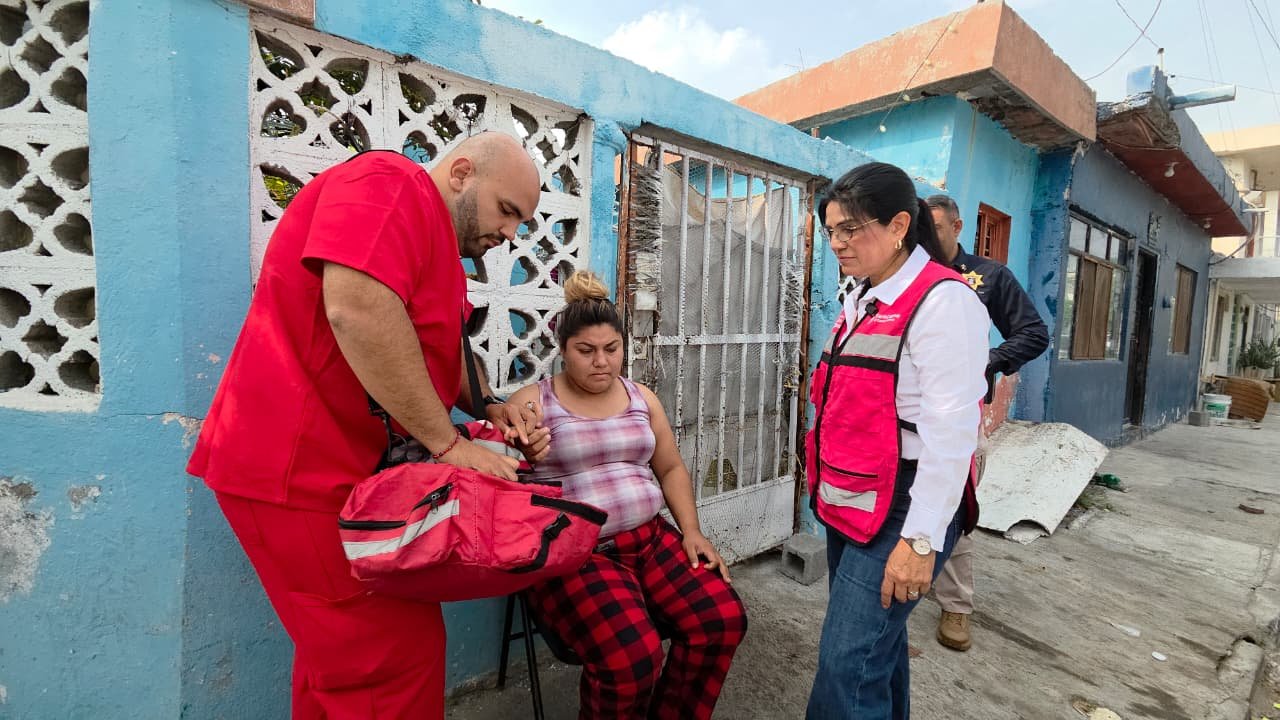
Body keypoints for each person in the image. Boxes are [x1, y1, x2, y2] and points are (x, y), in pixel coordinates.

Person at [187, 133, 549, 719]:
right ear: (462, 173)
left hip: (338, 477)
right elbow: (356, 307)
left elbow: (444, 353)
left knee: (342, 665)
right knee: (393, 662)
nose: (510, 233)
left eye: (521, 222)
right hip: (298, 470)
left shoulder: (441, 250)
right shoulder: (391, 182)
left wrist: (490, 405)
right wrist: (448, 444)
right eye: (507, 210)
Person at [505, 271, 748, 720]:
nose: (601, 361)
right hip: (579, 555)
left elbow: (670, 467)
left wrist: (692, 531)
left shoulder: (641, 398)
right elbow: (503, 481)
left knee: (721, 620)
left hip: (651, 540)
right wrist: (520, 450)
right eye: (586, 351)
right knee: (631, 661)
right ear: (562, 350)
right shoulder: (533, 403)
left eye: (611, 348)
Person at [804, 163, 989, 720]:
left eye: (851, 229)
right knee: (874, 654)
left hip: (906, 505)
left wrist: (921, 541)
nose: (837, 243)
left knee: (846, 665)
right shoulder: (862, 297)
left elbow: (951, 435)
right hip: (855, 496)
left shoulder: (944, 303)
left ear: (900, 225)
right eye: (831, 231)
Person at [926, 194, 1050, 652]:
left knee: (953, 500)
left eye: (936, 228)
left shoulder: (986, 276)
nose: (926, 238)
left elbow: (1034, 333)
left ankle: (956, 604)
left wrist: (988, 360)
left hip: (958, 411)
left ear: (958, 227)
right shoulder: (908, 273)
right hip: (902, 412)